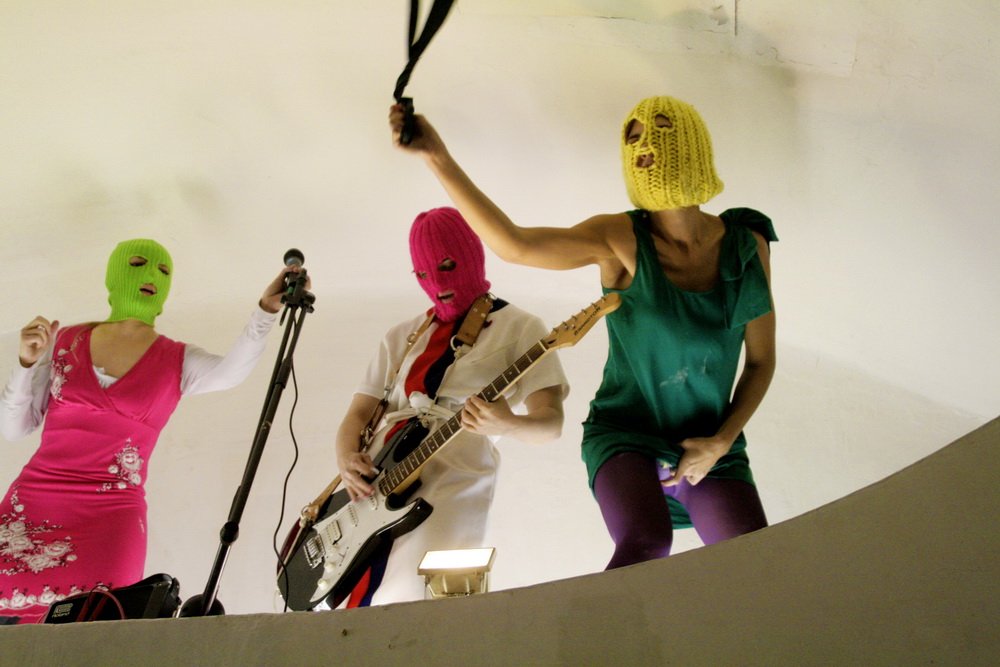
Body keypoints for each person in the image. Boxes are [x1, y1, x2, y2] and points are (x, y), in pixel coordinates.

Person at [389, 95, 776, 569]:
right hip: (625, 435)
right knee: (647, 544)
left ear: (692, 144)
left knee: (757, 562)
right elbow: (515, 245)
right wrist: (436, 157)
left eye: (658, 130)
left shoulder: (746, 244)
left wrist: (720, 442)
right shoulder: (620, 238)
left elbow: (761, 362)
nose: (643, 146)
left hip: (712, 441)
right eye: (632, 138)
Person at [0, 238, 300, 624]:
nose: (151, 276)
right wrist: (26, 364)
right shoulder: (65, 341)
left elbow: (230, 372)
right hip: (34, 502)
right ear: (114, 276)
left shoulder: (176, 358)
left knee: (97, 625)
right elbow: (14, 428)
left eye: (163, 270)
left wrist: (265, 311)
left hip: (110, 516)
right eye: (138, 263)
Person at [334, 207, 567, 606]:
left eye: (447, 266)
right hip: (378, 482)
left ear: (472, 255)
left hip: (456, 477)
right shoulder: (401, 336)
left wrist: (507, 423)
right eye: (424, 274)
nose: (438, 284)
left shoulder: (521, 327)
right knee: (361, 601)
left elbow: (551, 425)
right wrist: (345, 458)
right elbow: (357, 414)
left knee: (433, 598)